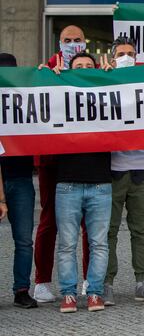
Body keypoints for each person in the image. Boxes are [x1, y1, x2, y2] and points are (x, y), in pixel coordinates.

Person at [99, 36, 144, 305]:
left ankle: (142, 282)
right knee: (108, 230)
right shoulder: (102, 83)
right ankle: (106, 283)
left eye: (131, 53)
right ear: (114, 58)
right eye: (123, 53)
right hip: (113, 168)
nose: (128, 56)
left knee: (141, 228)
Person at [32, 25, 91, 302]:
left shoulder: (93, 68)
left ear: (84, 42)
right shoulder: (45, 70)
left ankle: (90, 280)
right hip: (53, 158)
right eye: (67, 40)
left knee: (90, 222)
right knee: (49, 219)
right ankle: (42, 280)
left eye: (77, 40)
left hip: (87, 157)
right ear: (59, 43)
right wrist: (42, 78)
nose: (72, 44)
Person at [53, 52, 113, 313]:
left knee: (99, 243)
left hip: (101, 182)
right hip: (67, 183)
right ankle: (68, 293)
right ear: (69, 69)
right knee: (67, 243)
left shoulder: (107, 93)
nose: (85, 69)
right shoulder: (59, 93)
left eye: (90, 66)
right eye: (80, 66)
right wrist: (47, 76)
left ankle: (95, 292)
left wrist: (115, 77)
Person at [0, 54, 38, 308]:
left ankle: (21, 290)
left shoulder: (27, 100)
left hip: (22, 178)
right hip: (3, 180)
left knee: (24, 239)